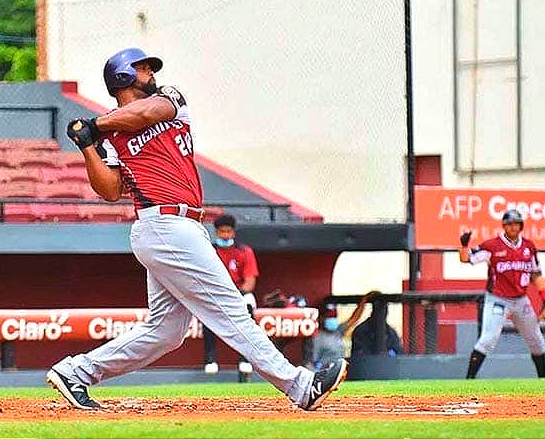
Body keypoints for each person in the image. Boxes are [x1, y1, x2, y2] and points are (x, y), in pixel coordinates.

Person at [46, 47, 347, 411]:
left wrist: (95, 126)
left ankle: (76, 373)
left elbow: (146, 113)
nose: (150, 73)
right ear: (122, 76)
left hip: (184, 226)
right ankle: (300, 386)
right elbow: (109, 191)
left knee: (165, 332)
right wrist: (88, 146)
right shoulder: (110, 136)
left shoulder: (167, 100)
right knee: (231, 309)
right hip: (162, 225)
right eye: (141, 69)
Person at [459, 209, 545, 379]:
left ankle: (543, 381)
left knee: (537, 342)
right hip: (498, 299)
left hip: (521, 300)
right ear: (503, 226)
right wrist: (464, 246)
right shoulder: (492, 246)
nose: (513, 227)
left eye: (516, 224)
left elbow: (536, 274)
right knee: (488, 340)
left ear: (521, 226)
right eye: (509, 224)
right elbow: (466, 259)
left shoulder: (528, 247)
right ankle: (468, 380)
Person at [202, 214, 259, 381]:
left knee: (248, 309)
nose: (225, 235)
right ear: (216, 233)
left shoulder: (244, 251)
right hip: (216, 294)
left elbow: (250, 281)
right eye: (222, 232)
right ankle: (210, 359)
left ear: (233, 232)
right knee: (206, 313)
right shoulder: (209, 251)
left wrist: (237, 294)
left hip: (239, 294)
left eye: (228, 231)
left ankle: (246, 358)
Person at [304, 291, 379, 371]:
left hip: (337, 372)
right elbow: (310, 364)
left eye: (334, 316)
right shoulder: (315, 337)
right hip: (321, 373)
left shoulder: (338, 331)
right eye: (329, 317)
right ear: (322, 318)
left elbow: (354, 318)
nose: (332, 319)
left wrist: (364, 300)